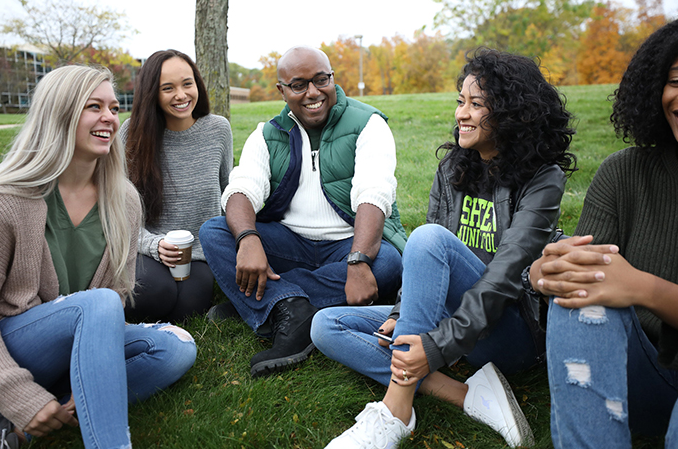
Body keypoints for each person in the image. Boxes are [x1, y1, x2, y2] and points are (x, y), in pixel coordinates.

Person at [315, 49, 577, 449]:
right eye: (460, 102)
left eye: (476, 105)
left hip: (509, 331)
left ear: (510, 113)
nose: (461, 114)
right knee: (327, 326)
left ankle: (396, 410)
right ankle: (468, 395)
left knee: (428, 238)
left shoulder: (543, 179)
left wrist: (437, 344)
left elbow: (507, 275)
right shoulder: (453, 168)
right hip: (444, 317)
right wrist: (404, 315)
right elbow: (425, 266)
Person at [0, 66, 197, 449]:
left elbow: (112, 299)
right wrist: (18, 394)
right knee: (99, 303)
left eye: (112, 106)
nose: (109, 117)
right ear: (59, 114)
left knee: (176, 348)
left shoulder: (122, 201)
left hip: (68, 358)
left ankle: (18, 429)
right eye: (94, 106)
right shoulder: (5, 201)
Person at [531, 16, 678, 449]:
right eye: (676, 80)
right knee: (579, 297)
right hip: (639, 378)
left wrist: (646, 288)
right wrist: (546, 271)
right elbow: (586, 273)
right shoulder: (625, 172)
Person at [199, 46, 406, 378]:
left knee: (387, 263)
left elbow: (373, 193)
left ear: (332, 78)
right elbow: (241, 189)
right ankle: (291, 308)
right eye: (299, 85)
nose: (313, 92)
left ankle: (269, 302)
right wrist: (250, 239)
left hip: (348, 244)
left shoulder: (368, 124)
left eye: (321, 80)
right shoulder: (267, 134)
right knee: (216, 231)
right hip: (289, 243)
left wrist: (357, 261)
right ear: (282, 91)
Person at [122, 49, 233, 323]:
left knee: (187, 308)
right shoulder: (131, 133)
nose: (181, 95)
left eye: (187, 84)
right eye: (167, 88)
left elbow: (226, 193)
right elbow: (119, 208)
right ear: (152, 94)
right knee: (153, 295)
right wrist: (152, 244)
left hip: (197, 254)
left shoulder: (218, 129)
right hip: (145, 247)